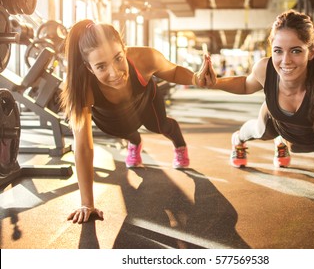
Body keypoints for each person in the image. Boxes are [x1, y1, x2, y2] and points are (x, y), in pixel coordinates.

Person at [203, 10, 314, 228]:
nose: (285, 61)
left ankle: (282, 142)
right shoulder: (264, 69)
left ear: (311, 51)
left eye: (296, 51)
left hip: (306, 134)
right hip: (275, 117)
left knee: (300, 145)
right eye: (278, 51)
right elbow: (246, 85)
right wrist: (215, 83)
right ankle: (238, 139)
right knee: (259, 131)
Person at [60, 20, 211, 223]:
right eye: (101, 66)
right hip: (112, 119)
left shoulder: (144, 57)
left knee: (159, 125)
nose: (115, 73)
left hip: (145, 102)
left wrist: (195, 79)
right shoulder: (82, 86)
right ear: (89, 68)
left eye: (118, 59)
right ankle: (135, 142)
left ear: (124, 48)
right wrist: (87, 203)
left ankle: (180, 145)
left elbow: (173, 71)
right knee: (127, 130)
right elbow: (84, 147)